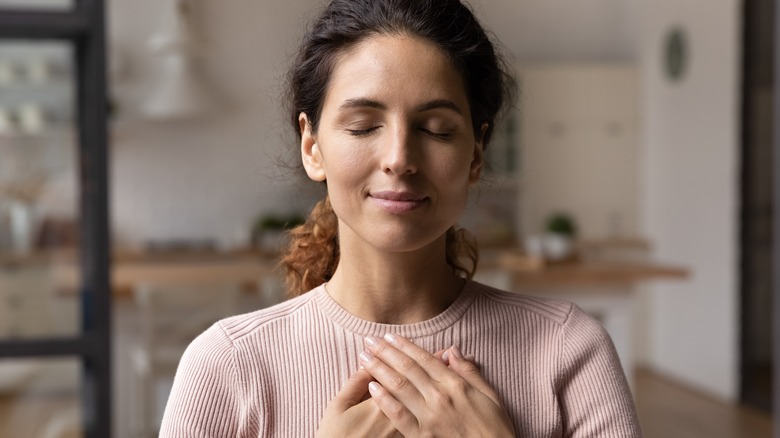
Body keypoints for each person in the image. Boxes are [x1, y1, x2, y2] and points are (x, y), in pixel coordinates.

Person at [160, 0, 643, 436]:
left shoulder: (567, 350)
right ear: (312, 146)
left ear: (476, 152)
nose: (399, 158)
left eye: (435, 129)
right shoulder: (228, 365)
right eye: (363, 126)